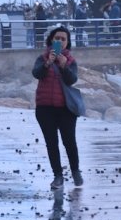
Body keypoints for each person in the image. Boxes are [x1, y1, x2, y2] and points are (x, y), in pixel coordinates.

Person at [32, 25, 83, 189]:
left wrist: (63, 66)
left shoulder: (71, 61)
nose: (59, 41)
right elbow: (36, 73)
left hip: (65, 108)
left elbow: (72, 80)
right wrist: (48, 63)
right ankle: (58, 176)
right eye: (57, 38)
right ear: (51, 40)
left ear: (67, 43)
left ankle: (75, 171)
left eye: (63, 39)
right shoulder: (43, 57)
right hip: (45, 108)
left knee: (69, 141)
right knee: (51, 143)